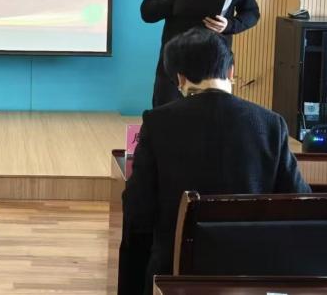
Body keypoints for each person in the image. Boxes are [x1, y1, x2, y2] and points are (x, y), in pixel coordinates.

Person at [119, 28, 310, 295]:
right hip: (251, 275)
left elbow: (138, 207)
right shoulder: (270, 124)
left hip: (175, 273)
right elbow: (300, 201)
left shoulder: (158, 122)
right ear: (231, 71)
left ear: (180, 78)